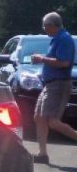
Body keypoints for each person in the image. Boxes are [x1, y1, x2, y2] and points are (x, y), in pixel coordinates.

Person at [31, 12, 77, 164]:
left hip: (59, 84)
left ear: (51, 25)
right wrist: (43, 59)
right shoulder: (57, 39)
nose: (44, 29)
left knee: (53, 122)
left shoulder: (64, 39)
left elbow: (63, 63)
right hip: (50, 84)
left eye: (44, 26)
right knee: (39, 118)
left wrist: (41, 59)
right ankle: (42, 154)